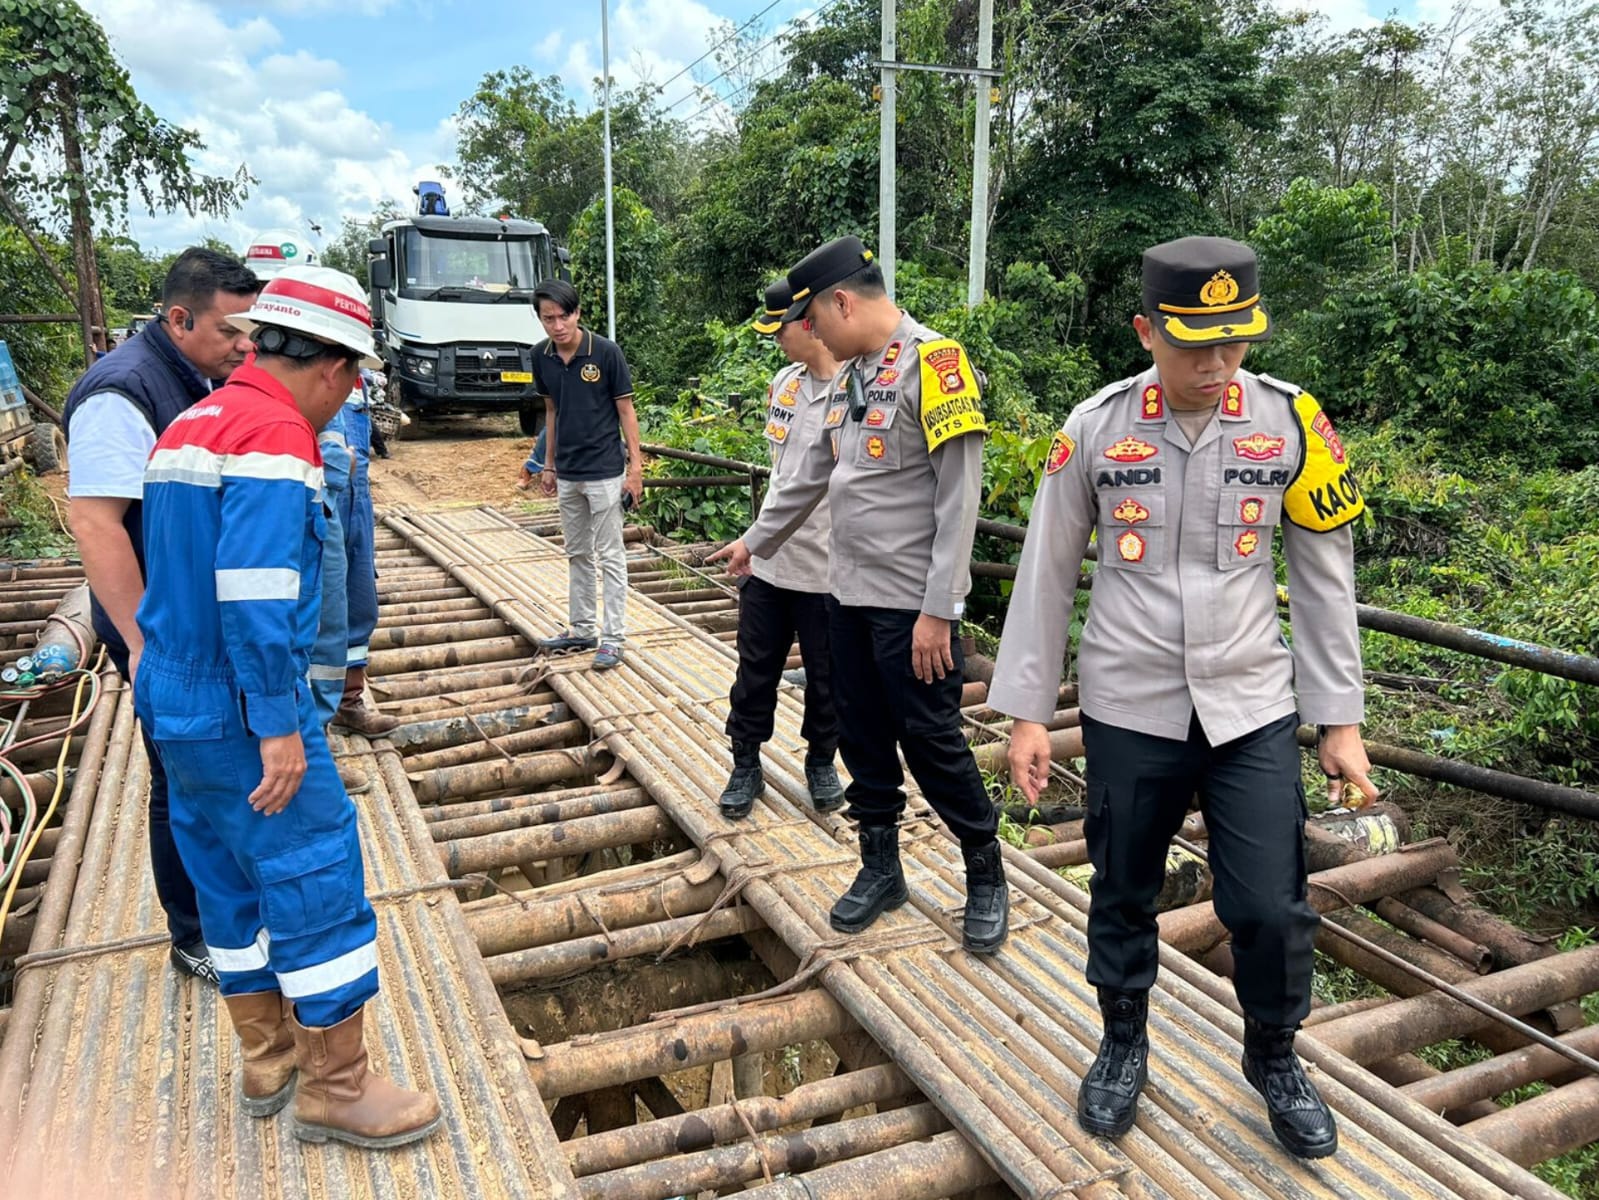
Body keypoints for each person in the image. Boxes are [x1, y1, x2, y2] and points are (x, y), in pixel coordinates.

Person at [988, 236, 1378, 1159]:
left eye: (1235, 342)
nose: (1215, 364)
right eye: (1192, 343)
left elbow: (1324, 580)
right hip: (1131, 707)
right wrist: (1029, 714)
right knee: (1123, 889)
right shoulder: (1092, 427)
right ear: (1145, 330)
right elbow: (1045, 575)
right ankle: (1122, 1044)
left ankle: (1275, 1056)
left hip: (1249, 706)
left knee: (1271, 905)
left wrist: (1342, 721)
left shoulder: (1291, 423)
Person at [133, 265, 440, 1148]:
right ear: (337, 368)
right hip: (241, 698)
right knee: (312, 870)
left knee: (226, 872)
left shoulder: (195, 420)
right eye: (353, 381)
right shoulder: (273, 433)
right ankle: (336, 1088)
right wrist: (277, 723)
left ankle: (267, 1058)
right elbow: (257, 593)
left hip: (176, 693)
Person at [710, 236, 1009, 955]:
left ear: (842, 302)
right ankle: (881, 868)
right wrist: (756, 541)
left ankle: (985, 873)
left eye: (813, 319)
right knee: (862, 738)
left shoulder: (935, 365)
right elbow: (812, 473)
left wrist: (941, 609)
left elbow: (959, 498)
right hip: (844, 593)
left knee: (932, 741)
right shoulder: (855, 372)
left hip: (911, 606)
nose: (810, 334)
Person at [64, 246, 261, 986]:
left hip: (192, 625)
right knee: (178, 773)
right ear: (178, 319)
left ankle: (228, 906)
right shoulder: (124, 391)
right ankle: (194, 932)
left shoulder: (194, 377)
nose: (244, 349)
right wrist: (144, 647)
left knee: (208, 764)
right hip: (161, 634)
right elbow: (97, 525)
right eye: (230, 332)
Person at [718, 277, 844, 819]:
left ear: (810, 324)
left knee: (829, 679)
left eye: (782, 329)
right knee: (754, 672)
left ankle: (821, 761)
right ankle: (746, 763)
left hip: (829, 570)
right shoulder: (784, 385)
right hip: (768, 564)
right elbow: (781, 476)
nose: (775, 340)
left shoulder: (856, 390)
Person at [530, 280, 642, 671]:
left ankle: (612, 638)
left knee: (610, 554)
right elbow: (551, 411)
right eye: (548, 318)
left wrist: (636, 469)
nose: (557, 325)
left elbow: (627, 412)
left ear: (577, 313)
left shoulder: (606, 353)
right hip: (568, 471)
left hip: (605, 471)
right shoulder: (540, 357)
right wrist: (548, 464)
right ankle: (581, 627)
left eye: (564, 316)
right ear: (540, 320)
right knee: (577, 552)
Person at [326, 371, 394, 736]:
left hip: (357, 506)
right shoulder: (299, 374)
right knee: (315, 614)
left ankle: (349, 702)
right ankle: (311, 733)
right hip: (321, 504)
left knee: (359, 603)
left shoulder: (358, 384)